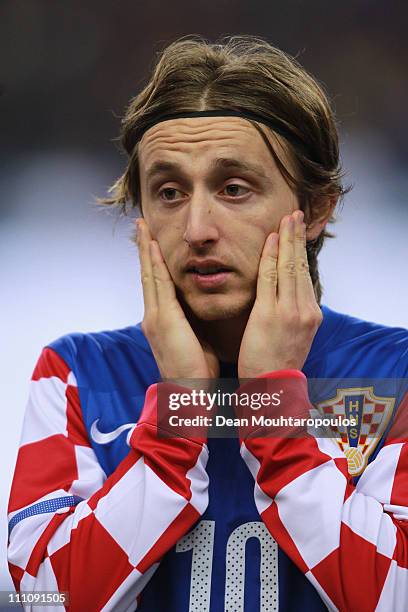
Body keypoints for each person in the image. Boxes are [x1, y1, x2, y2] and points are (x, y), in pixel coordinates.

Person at [7, 36, 408, 612]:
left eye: (234, 189)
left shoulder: (394, 374)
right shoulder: (77, 374)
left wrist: (274, 407)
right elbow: (40, 600)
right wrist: (180, 414)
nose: (197, 227)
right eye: (169, 192)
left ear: (316, 208)